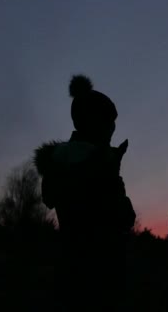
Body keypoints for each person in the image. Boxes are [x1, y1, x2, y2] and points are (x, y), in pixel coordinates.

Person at [34, 75, 135, 311]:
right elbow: (120, 216)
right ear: (94, 122)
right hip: (98, 280)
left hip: (71, 272)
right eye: (109, 122)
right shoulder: (98, 163)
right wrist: (111, 171)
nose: (113, 128)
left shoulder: (62, 161)